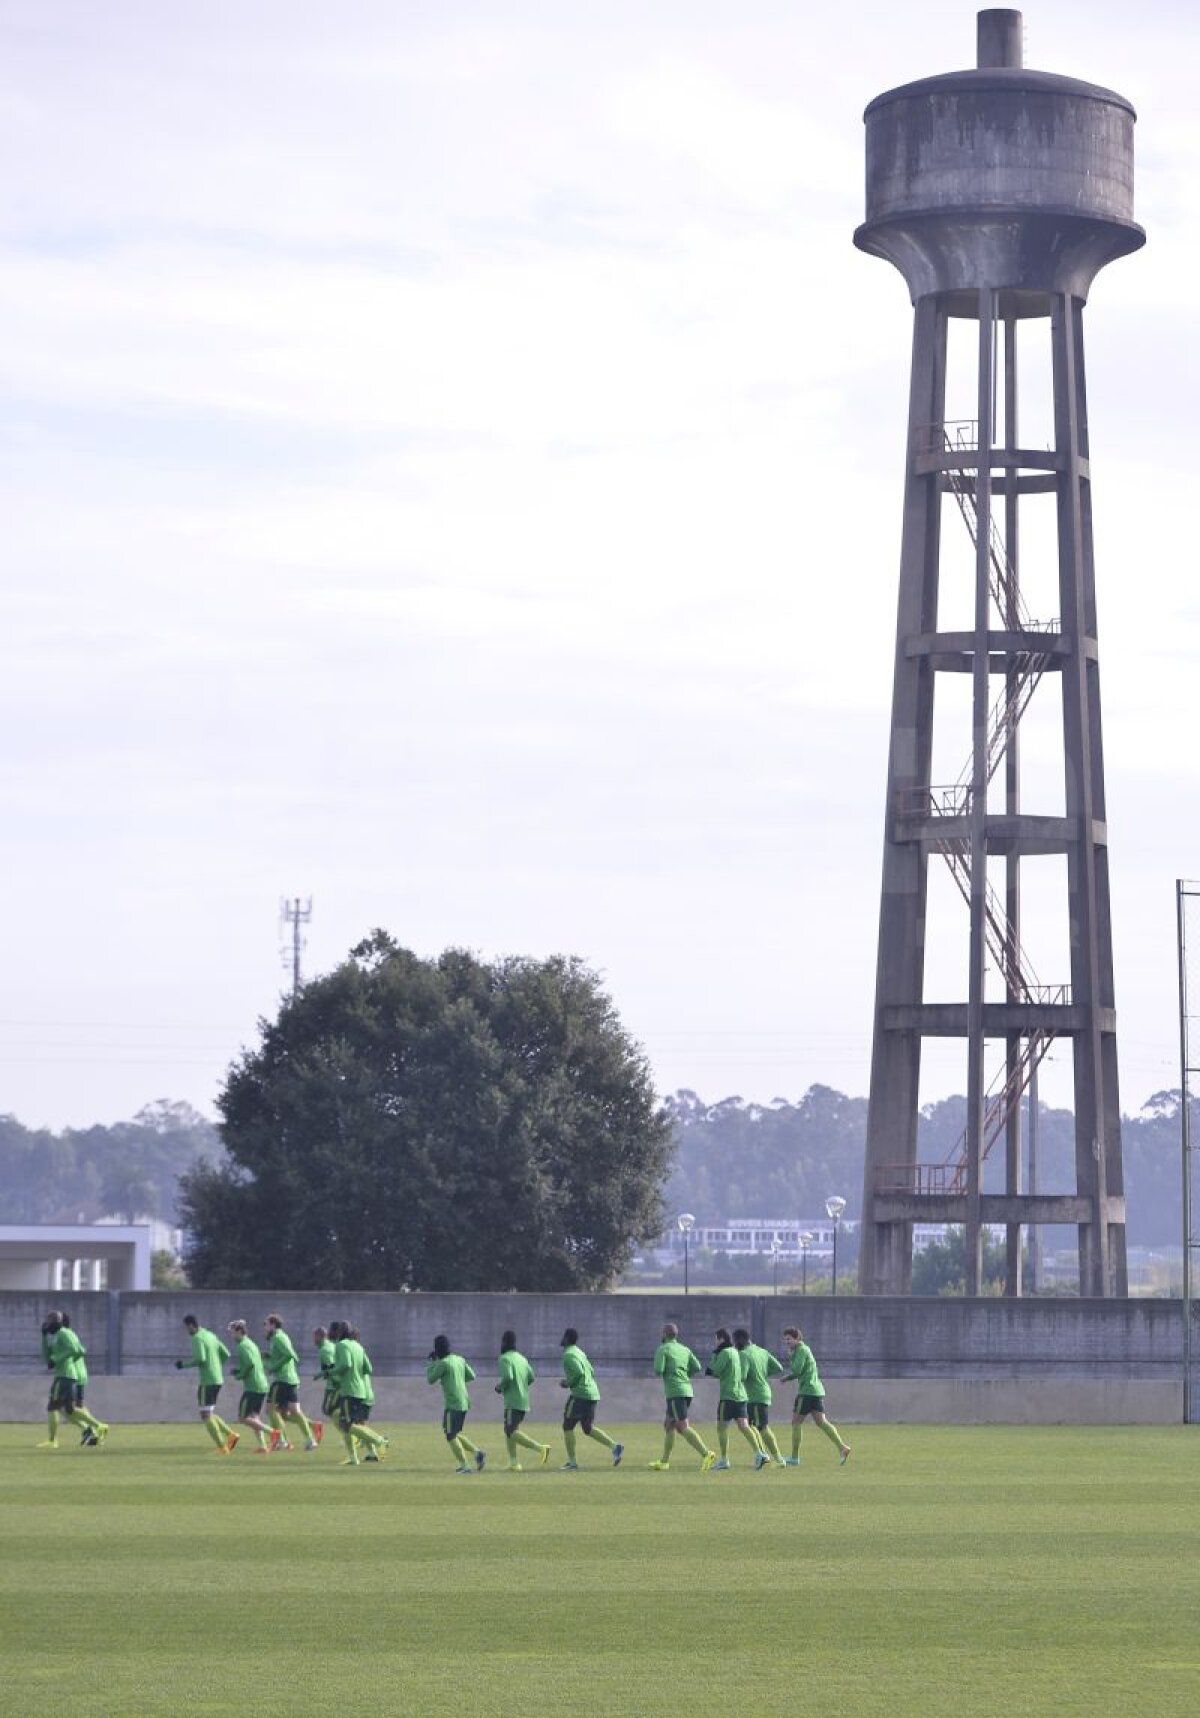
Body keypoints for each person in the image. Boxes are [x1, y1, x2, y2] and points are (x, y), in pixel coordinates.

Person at [649, 1322, 715, 1472]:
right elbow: (697, 1366)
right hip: (686, 1390)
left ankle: (707, 1453)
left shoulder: (663, 1349)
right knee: (669, 1425)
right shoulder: (684, 1349)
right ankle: (664, 1462)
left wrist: (669, 1371)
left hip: (675, 1392)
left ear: (664, 1334)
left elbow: (658, 1370)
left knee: (682, 1426)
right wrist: (684, 1373)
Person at [782, 1326, 851, 1466]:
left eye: (789, 1339)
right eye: (785, 1340)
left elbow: (797, 1370)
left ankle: (794, 1458)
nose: (787, 1342)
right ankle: (842, 1448)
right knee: (821, 1422)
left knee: (796, 1423)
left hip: (806, 1392)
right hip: (816, 1391)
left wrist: (787, 1374)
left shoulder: (800, 1350)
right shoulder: (804, 1349)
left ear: (797, 1339)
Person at [40, 1312, 109, 1449]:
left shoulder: (65, 1334)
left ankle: (92, 1428)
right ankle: (92, 1429)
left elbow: (78, 1350)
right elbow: (50, 1355)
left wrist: (62, 1360)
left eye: (51, 1321)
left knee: (57, 1407)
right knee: (69, 1409)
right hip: (71, 1375)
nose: (48, 1324)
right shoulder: (59, 1336)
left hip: (70, 1375)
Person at [558, 1328, 623, 1470]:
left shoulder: (568, 1354)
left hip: (580, 1395)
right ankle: (615, 1446)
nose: (561, 1339)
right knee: (587, 1428)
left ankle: (572, 1462)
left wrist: (567, 1383)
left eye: (563, 1336)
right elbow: (591, 1370)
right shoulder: (580, 1352)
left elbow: (579, 1372)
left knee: (567, 1426)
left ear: (567, 1339)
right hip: (593, 1393)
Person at [329, 1320, 388, 1466]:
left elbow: (346, 1364)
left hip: (349, 1390)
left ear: (340, 1333)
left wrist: (332, 1371)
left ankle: (379, 1440)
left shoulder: (341, 1345)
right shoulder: (358, 1346)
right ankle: (355, 1457)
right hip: (361, 1390)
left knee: (346, 1424)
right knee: (353, 1423)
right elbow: (368, 1368)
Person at [705, 1327, 764, 1470]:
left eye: (716, 1339)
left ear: (721, 1339)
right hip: (741, 1396)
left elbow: (716, 1370)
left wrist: (714, 1357)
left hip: (728, 1396)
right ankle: (759, 1454)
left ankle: (724, 1460)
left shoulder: (724, 1352)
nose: (715, 1343)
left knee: (721, 1428)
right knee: (744, 1426)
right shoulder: (735, 1352)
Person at [176, 1314, 236, 1454]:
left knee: (205, 1415)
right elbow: (226, 1353)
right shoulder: (210, 1335)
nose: (187, 1331)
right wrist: (215, 1365)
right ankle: (231, 1435)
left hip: (207, 1381)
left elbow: (201, 1358)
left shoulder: (197, 1338)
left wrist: (183, 1365)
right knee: (209, 1412)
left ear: (191, 1325)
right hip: (218, 1379)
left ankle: (222, 1446)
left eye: (187, 1328)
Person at [263, 1313, 322, 1452]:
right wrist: (269, 1356)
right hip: (291, 1379)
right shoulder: (280, 1337)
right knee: (292, 1412)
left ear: (273, 1324)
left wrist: (274, 1367)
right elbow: (285, 1354)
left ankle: (281, 1441)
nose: (264, 1328)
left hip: (282, 1380)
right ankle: (310, 1439)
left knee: (270, 1410)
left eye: (265, 1324)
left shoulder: (278, 1337)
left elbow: (290, 1355)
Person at [427, 1334, 485, 1474]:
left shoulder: (443, 1363)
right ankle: (477, 1452)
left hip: (453, 1403)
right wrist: (457, 1379)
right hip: (464, 1401)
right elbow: (472, 1376)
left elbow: (430, 1379)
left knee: (450, 1435)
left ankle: (465, 1466)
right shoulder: (459, 1359)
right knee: (455, 1433)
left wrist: (432, 1362)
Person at [495, 1330, 551, 1471]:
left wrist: (500, 1387)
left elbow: (508, 1377)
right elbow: (531, 1377)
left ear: (503, 1342)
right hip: (523, 1400)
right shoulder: (522, 1358)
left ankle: (540, 1448)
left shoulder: (504, 1358)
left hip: (512, 1401)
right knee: (511, 1431)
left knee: (510, 1431)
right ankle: (514, 1463)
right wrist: (521, 1387)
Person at [733, 1327, 787, 1469]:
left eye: (735, 1342)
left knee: (762, 1427)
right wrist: (761, 1374)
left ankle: (779, 1458)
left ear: (739, 1340)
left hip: (755, 1396)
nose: (734, 1345)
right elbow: (778, 1368)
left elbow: (743, 1376)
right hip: (760, 1393)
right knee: (749, 1425)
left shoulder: (744, 1354)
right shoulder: (762, 1351)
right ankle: (763, 1455)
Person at [227, 1321, 275, 1452]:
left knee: (243, 1417)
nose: (231, 1336)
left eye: (232, 1332)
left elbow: (250, 1364)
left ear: (239, 1331)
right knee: (254, 1417)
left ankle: (272, 1433)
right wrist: (238, 1371)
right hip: (260, 1385)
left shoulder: (242, 1346)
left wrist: (241, 1375)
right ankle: (263, 1446)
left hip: (253, 1386)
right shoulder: (251, 1344)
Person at [313, 1325, 339, 1425]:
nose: (313, 1340)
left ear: (320, 1336)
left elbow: (332, 1367)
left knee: (327, 1409)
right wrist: (320, 1375)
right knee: (328, 1410)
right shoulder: (331, 1345)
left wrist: (336, 1384)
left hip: (333, 1386)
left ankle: (348, 1427)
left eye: (315, 1337)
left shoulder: (324, 1350)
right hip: (334, 1385)